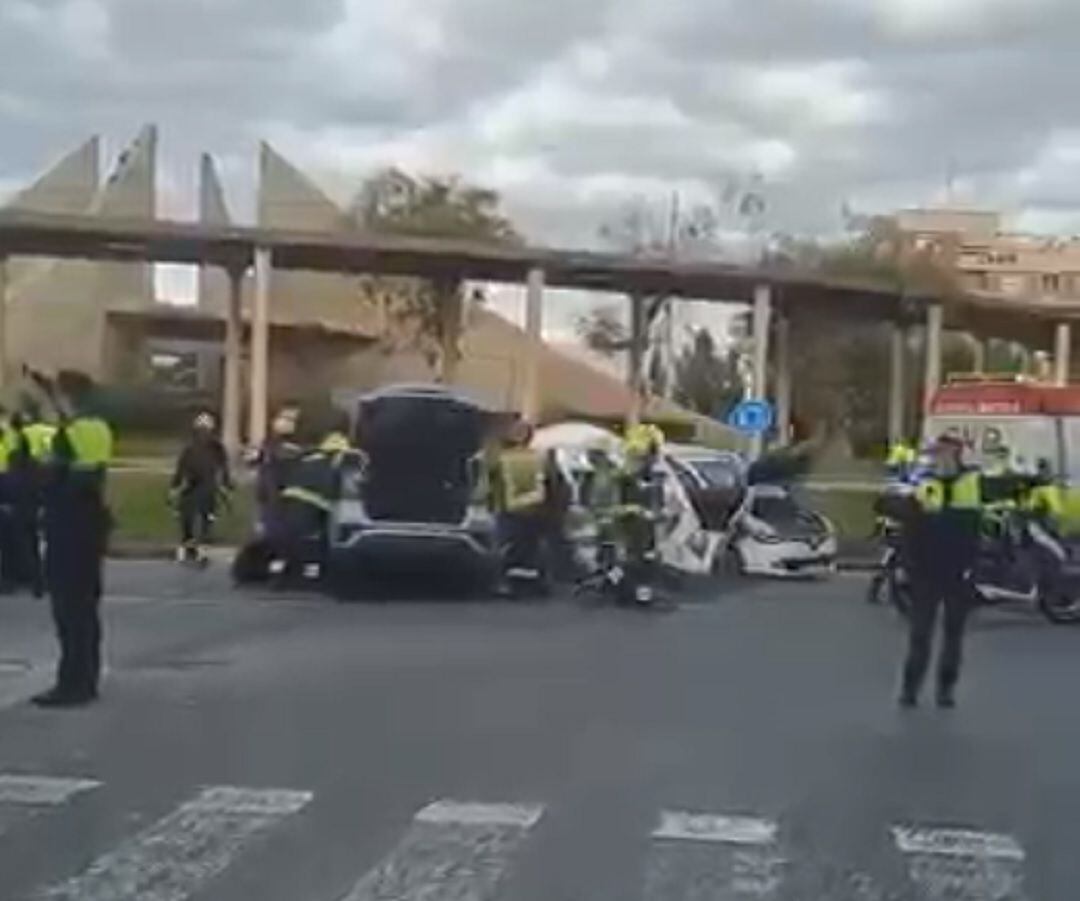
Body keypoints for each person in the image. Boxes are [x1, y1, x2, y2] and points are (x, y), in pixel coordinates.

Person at [33, 371, 113, 708]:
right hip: (92, 525)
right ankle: (87, 680)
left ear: (68, 398)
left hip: (67, 526)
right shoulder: (100, 429)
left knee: (67, 610)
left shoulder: (68, 434)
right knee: (86, 609)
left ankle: (70, 684)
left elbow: (54, 480)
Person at [898, 432, 982, 709]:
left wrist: (974, 566)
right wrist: (907, 568)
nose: (942, 457)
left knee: (953, 636)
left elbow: (976, 531)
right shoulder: (924, 485)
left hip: (958, 572)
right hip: (926, 572)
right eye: (939, 452)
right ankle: (910, 690)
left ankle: (946, 690)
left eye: (948, 452)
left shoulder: (972, 483)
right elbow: (910, 531)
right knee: (920, 635)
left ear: (957, 454)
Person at [489, 417, 547, 593]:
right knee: (530, 548)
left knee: (504, 548)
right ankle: (533, 584)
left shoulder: (502, 458)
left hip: (508, 509)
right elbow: (546, 484)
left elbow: (494, 484)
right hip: (532, 508)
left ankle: (504, 583)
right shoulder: (538, 458)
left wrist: (493, 505)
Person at [171, 412, 232, 564]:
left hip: (204, 485)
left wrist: (226, 483)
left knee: (202, 515)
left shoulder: (214, 447)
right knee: (191, 515)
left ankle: (198, 544)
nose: (204, 434)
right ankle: (192, 543)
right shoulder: (193, 448)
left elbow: (223, 467)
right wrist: (175, 484)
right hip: (195, 484)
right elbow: (182, 467)